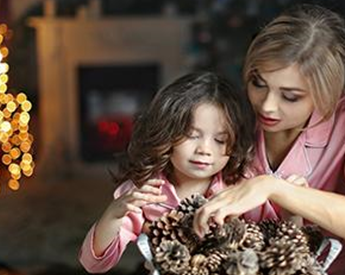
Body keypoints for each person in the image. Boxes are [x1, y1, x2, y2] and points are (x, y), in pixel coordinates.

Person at [193, 4, 345, 275]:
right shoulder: (230, 116)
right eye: (258, 83)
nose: (267, 106)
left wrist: (277, 189)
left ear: (326, 92)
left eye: (290, 96)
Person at [78, 71, 256, 273]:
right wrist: (113, 214)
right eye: (191, 135)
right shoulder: (145, 191)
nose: (205, 150)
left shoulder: (243, 186)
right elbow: (93, 264)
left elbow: (276, 242)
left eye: (220, 140)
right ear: (167, 132)